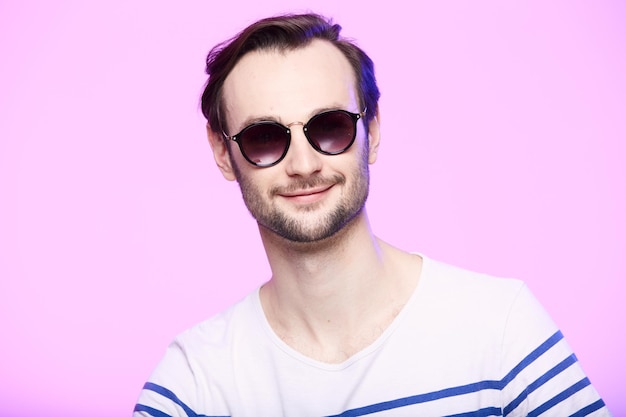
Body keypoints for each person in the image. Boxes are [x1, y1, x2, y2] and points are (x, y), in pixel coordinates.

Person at [134, 13, 611, 417]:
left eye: (331, 126)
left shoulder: (500, 328)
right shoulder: (194, 383)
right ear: (222, 153)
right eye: (264, 137)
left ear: (373, 131)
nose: (303, 165)